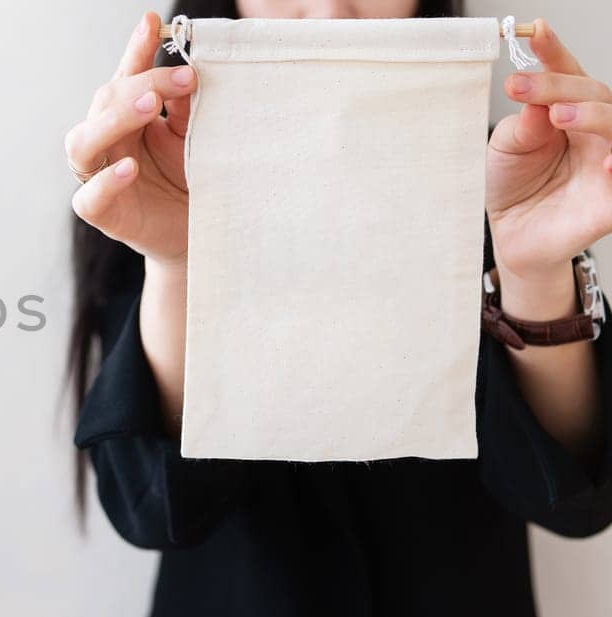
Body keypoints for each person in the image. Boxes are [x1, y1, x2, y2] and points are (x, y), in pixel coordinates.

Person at [64, 1, 612, 615]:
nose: (331, 13)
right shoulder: (146, 173)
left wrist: (532, 268)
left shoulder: (516, 175)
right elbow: (154, 509)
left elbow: (573, 501)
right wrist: (180, 263)